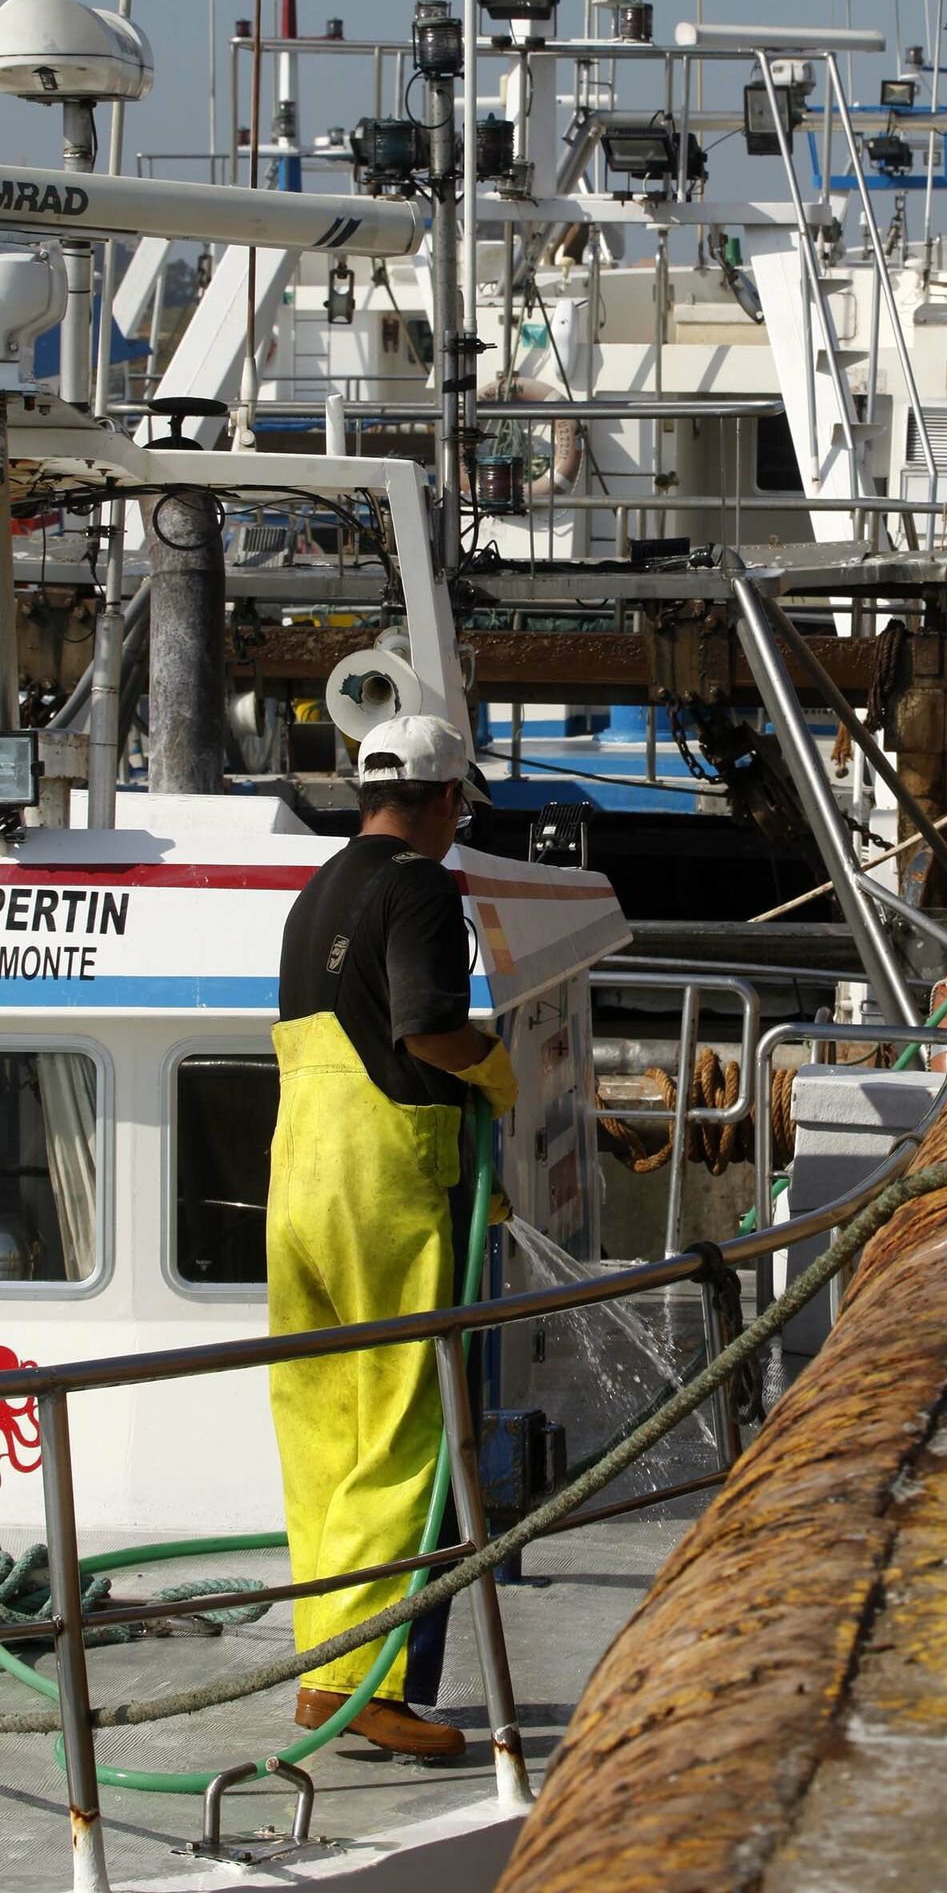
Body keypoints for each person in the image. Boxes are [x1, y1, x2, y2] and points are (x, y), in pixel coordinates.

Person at [267, 713, 517, 1759]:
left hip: (297, 1186)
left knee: (323, 1438)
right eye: (459, 805)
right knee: (406, 1437)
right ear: (445, 800)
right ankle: (360, 1682)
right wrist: (494, 1064)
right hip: (385, 1182)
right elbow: (426, 1030)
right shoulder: (421, 886)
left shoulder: (312, 891)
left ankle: (321, 1666)